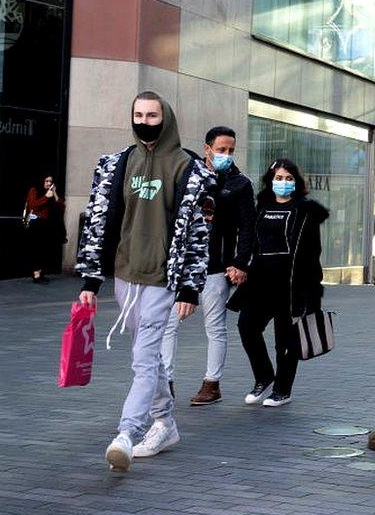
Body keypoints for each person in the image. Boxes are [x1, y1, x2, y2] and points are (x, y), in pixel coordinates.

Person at [76, 91, 213, 472]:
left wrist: (190, 287)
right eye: (138, 114)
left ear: (165, 118)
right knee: (146, 357)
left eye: (152, 115)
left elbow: (200, 234)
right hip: (125, 275)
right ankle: (165, 423)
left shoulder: (188, 168)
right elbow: (99, 222)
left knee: (143, 359)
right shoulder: (118, 163)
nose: (144, 121)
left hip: (161, 280)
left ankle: (126, 434)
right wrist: (90, 280)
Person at [160, 126, 256, 406]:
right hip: (181, 265)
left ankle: (211, 383)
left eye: (231, 151)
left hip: (216, 266)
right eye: (221, 149)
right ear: (207, 148)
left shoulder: (239, 184)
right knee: (167, 323)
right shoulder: (189, 177)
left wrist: (239, 262)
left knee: (214, 326)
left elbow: (248, 228)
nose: (226, 155)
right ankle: (165, 381)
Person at [230, 158, 328, 407]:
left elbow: (312, 254)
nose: (282, 183)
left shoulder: (306, 212)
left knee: (285, 340)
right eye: (278, 178)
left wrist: (313, 293)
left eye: (288, 178)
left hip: (291, 285)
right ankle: (264, 376)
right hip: (259, 282)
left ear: (296, 182)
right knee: (247, 327)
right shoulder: (261, 206)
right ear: (270, 181)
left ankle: (283, 389)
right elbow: (249, 241)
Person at [24, 175, 66, 283]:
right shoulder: (35, 190)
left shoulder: (52, 192)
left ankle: (41, 272)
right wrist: (46, 197)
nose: (48, 183)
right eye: (46, 181)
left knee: (45, 250)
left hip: (49, 225)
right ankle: (36, 274)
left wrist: (55, 193)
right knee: (37, 250)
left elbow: (62, 207)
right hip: (37, 224)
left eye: (50, 181)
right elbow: (33, 205)